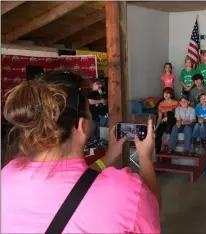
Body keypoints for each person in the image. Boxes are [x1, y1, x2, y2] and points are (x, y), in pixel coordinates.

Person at [1, 72, 160, 233]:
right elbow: (152, 209)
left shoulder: (7, 174)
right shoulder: (123, 191)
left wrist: (109, 156)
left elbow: (79, 182)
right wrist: (145, 157)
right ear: (82, 126)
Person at [155, 87, 179, 154]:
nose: (166, 94)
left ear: (171, 94)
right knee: (158, 133)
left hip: (174, 120)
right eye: (165, 93)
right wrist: (156, 127)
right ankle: (157, 153)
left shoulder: (176, 102)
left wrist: (168, 117)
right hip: (165, 121)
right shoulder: (161, 104)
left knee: (169, 113)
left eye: (168, 93)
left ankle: (168, 133)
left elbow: (179, 113)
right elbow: (160, 117)